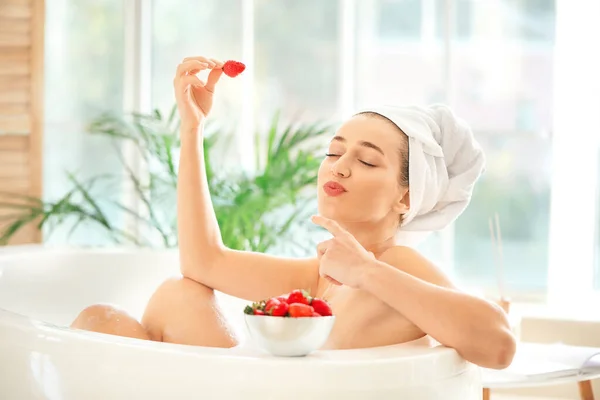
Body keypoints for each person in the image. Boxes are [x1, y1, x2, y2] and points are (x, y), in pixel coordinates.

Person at [71, 56, 516, 370]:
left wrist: (368, 272)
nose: (339, 166)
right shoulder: (321, 272)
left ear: (406, 198)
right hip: (261, 386)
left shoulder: (396, 263)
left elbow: (499, 345)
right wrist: (192, 129)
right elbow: (202, 262)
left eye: (366, 161)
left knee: (118, 318)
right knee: (176, 294)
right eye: (333, 151)